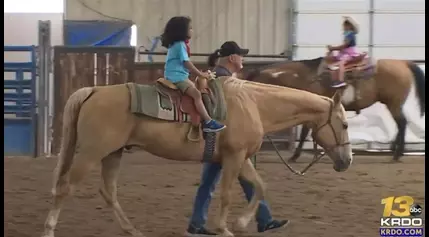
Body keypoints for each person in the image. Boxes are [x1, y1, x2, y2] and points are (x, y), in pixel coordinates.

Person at [185, 41, 289, 236]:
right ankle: (200, 224)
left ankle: (263, 219)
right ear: (232, 58)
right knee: (216, 182)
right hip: (223, 140)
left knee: (225, 182)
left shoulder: (221, 77)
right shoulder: (222, 80)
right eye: (241, 55)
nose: (243, 59)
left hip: (220, 139)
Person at [161, 16, 226, 133]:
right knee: (196, 94)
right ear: (182, 30)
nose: (192, 30)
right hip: (177, 77)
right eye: (190, 28)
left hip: (177, 75)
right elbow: (186, 62)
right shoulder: (180, 45)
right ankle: (208, 121)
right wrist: (200, 74)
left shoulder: (175, 44)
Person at [326, 16, 361, 88]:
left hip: (350, 53)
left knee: (341, 63)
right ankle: (334, 79)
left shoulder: (350, 34)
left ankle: (341, 80)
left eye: (344, 25)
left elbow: (345, 45)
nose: (343, 27)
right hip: (346, 52)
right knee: (333, 60)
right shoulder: (347, 34)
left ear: (349, 26)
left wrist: (333, 48)